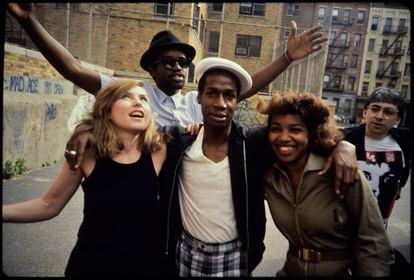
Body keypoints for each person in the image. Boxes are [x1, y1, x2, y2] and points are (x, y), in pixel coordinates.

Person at [158, 58, 358, 276]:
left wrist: (343, 145)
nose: (221, 103)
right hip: (186, 252)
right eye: (212, 93)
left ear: (237, 101)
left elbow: (302, 132)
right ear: (199, 97)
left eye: (229, 96)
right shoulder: (178, 141)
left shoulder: (251, 144)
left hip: (235, 256)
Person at [7, 3, 327, 129]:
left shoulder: (193, 104)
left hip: (181, 210)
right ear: (152, 69)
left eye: (184, 62)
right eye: (169, 62)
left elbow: (243, 88)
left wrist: (286, 58)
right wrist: (29, 21)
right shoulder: (133, 95)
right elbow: (73, 69)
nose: (179, 67)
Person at [3, 79, 169, 277]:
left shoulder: (161, 150)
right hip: (91, 265)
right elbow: (49, 204)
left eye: (144, 99)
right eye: (126, 97)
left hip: (146, 267)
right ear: (107, 110)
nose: (138, 103)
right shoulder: (87, 153)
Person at [257, 91, 394, 276]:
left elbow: (374, 244)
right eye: (276, 129)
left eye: (295, 129)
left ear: (311, 133)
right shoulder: (269, 174)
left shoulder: (341, 170)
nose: (283, 137)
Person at [343, 87, 411, 229]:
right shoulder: (344, 140)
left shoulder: (404, 143)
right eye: (375, 109)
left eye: (388, 112)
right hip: (344, 224)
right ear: (365, 112)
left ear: (397, 119)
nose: (379, 116)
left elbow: (401, 177)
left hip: (379, 225)